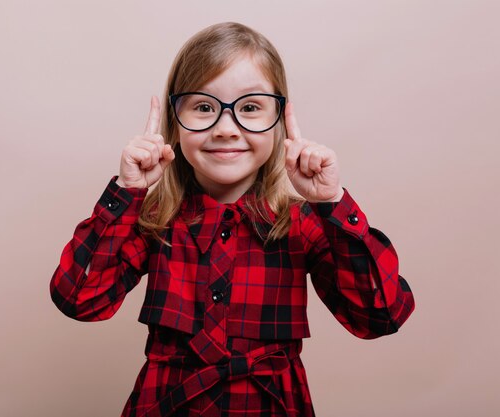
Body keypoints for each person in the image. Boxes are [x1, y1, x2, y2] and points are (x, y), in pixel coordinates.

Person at [49, 21, 415, 417]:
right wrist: (126, 190)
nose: (226, 129)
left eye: (250, 108)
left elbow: (382, 314)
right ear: (175, 121)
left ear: (278, 120)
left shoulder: (302, 223)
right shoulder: (155, 219)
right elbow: (78, 298)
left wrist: (332, 203)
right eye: (204, 107)